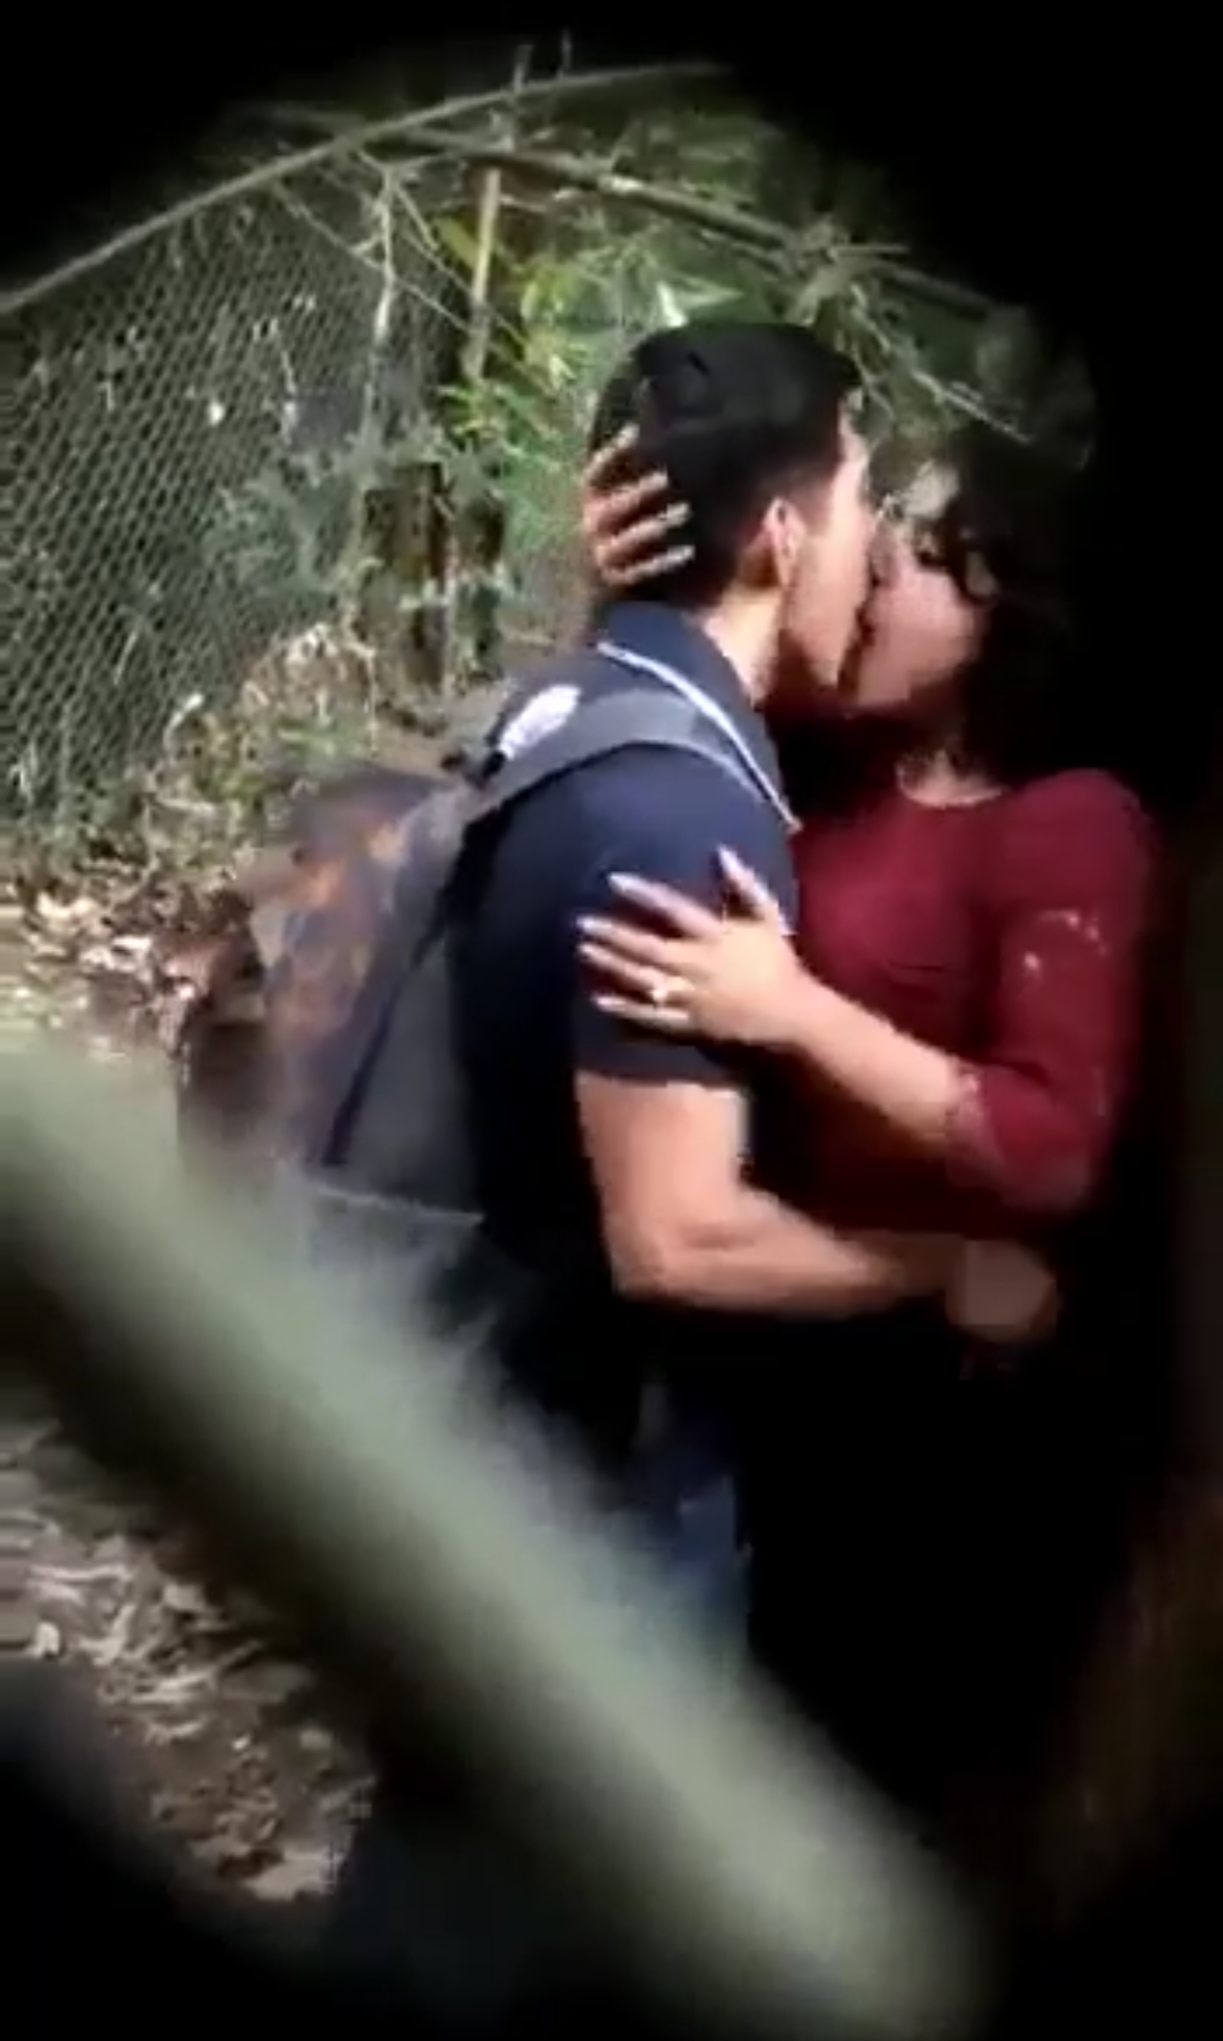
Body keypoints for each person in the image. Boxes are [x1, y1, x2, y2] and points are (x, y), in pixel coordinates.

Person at [321, 325, 1055, 1993]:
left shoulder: (593, 693)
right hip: (596, 1490)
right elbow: (679, 1234)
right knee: (509, 1921)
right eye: (863, 500)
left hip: (501, 1420)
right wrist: (944, 1263)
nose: (878, 549)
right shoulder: (675, 809)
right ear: (784, 533)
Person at [575, 418, 1157, 1857]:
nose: (879, 571)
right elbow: (694, 666)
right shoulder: (845, 749)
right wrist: (631, 580)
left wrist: (792, 1011)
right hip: (778, 1316)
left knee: (837, 1773)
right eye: (884, 539)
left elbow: (1053, 1141)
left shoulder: (1070, 825)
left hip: (928, 1412)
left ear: (1008, 615)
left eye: (923, 561)